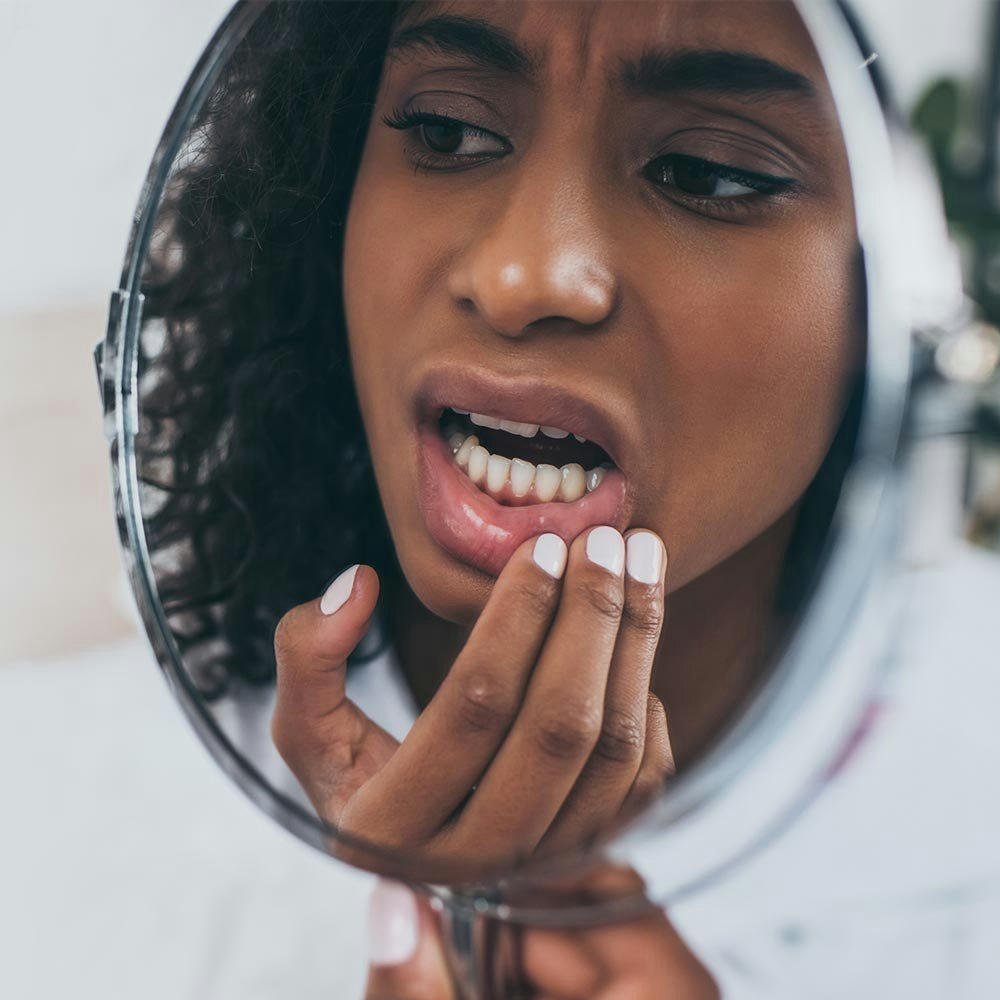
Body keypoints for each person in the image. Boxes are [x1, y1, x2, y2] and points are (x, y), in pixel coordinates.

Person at [138, 0, 873, 992]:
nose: (526, 274)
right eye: (447, 130)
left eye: (706, 173)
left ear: (897, 299)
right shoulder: (88, 825)